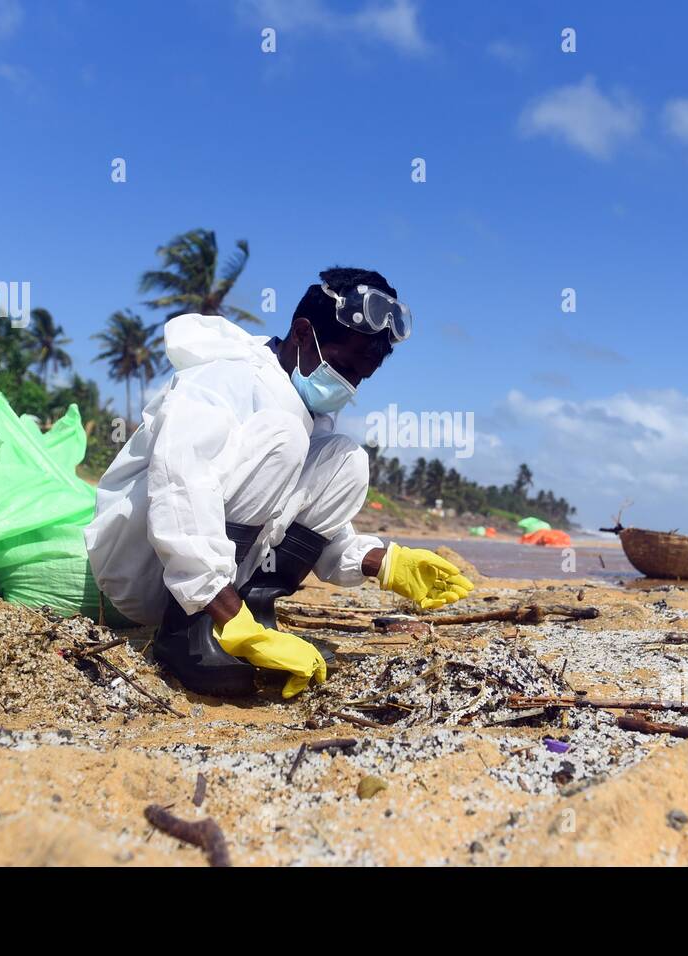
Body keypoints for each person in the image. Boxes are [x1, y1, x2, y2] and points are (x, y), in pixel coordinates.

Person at [85, 267, 474, 699]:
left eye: (359, 377)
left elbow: (298, 519)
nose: (348, 386)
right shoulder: (226, 378)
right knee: (284, 437)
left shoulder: (306, 409)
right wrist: (222, 610)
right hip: (141, 569)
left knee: (348, 461)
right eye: (344, 367)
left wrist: (383, 562)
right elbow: (181, 486)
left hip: (215, 579)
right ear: (303, 334)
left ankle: (252, 613)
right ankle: (191, 633)